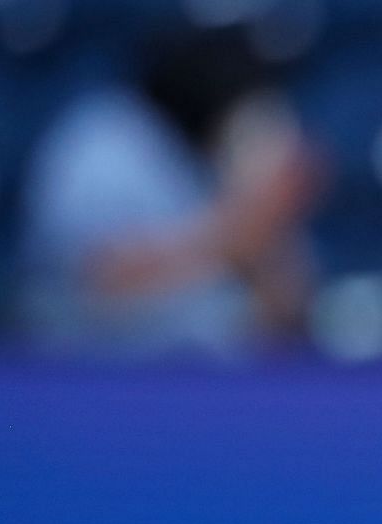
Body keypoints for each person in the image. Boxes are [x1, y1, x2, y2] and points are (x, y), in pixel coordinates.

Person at [17, 23, 322, 359]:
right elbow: (98, 286)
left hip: (210, 383)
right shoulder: (104, 145)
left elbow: (285, 324)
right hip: (91, 377)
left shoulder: (245, 158)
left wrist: (272, 230)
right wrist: (239, 227)